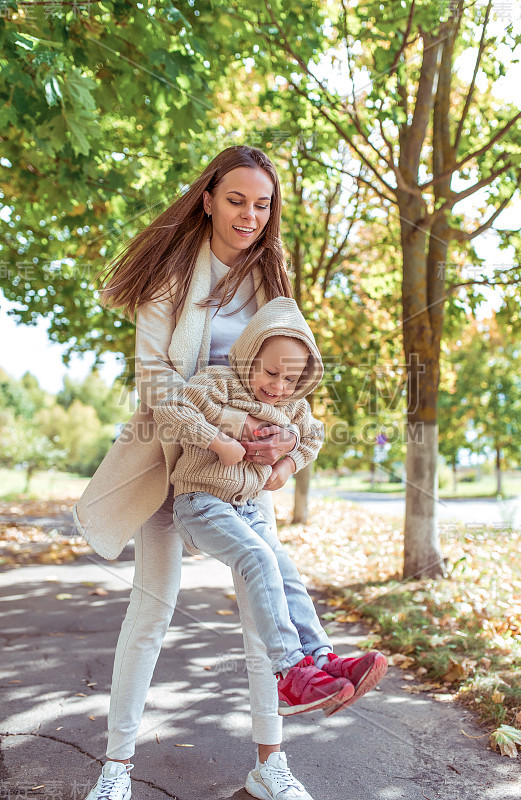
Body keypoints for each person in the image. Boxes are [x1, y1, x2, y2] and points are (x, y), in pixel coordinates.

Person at [74, 146, 327, 800]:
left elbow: (288, 380)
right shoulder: (171, 277)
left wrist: (282, 443)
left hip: (244, 474)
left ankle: (270, 765)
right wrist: (226, 433)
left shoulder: (273, 282)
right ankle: (117, 767)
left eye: (262, 204)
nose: (249, 215)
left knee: (259, 603)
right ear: (209, 198)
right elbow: (157, 384)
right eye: (237, 199)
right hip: (171, 461)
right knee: (152, 609)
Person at [153, 296, 388, 721]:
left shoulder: (293, 407)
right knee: (260, 558)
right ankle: (290, 673)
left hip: (248, 508)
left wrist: (288, 462)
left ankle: (323, 658)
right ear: (248, 357)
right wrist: (217, 440)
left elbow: (313, 435)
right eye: (271, 372)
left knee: (286, 569)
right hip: (201, 502)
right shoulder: (218, 382)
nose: (278, 386)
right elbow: (171, 410)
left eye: (291, 379)